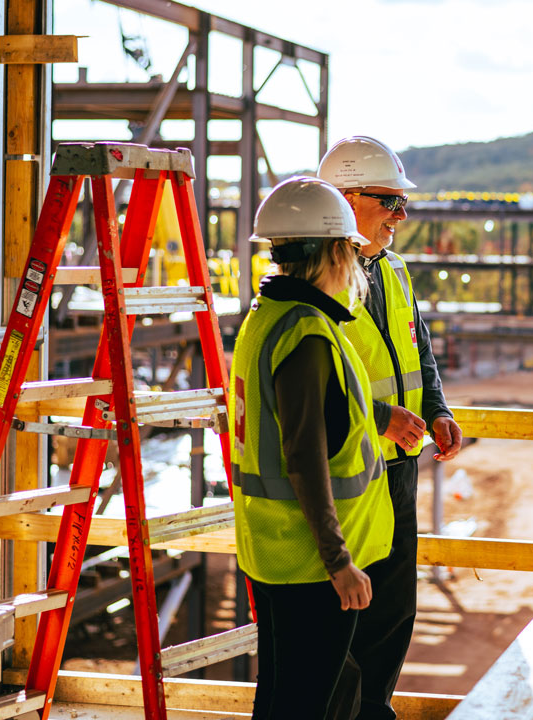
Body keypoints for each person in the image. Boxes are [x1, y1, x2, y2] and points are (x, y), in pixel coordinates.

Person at [229, 176, 394, 720]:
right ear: (331, 251)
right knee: (303, 703)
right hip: (310, 564)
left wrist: (384, 417)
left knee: (284, 693)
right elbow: (303, 453)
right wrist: (339, 561)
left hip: (272, 549)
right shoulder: (308, 334)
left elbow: (307, 422)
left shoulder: (266, 317)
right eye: (348, 249)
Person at [317, 135, 463, 720]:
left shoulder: (394, 271)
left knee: (395, 607)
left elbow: (416, 351)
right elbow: (311, 380)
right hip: (349, 472)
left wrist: (438, 411)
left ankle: (374, 712)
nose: (401, 216)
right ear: (347, 197)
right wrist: (380, 418)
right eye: (389, 202)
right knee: (343, 615)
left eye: (403, 203)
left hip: (399, 471)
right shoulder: (316, 275)